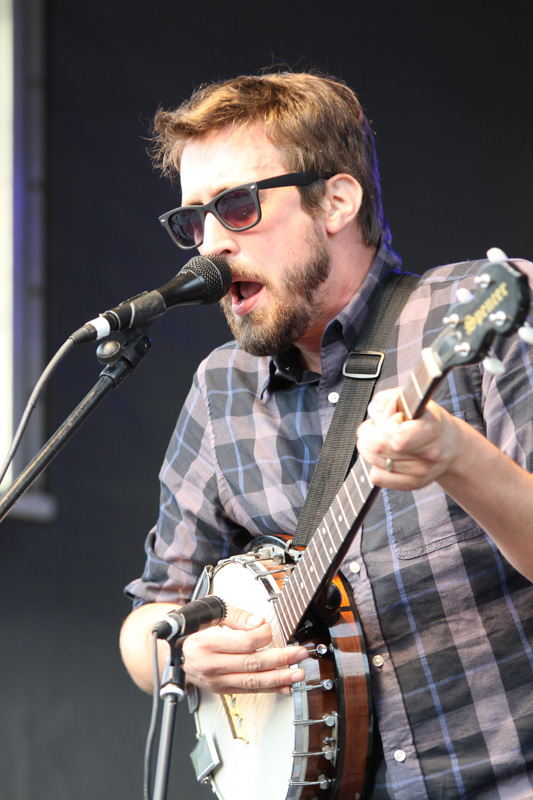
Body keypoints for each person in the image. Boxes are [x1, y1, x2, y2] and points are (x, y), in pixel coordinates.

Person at [119, 71, 533, 798]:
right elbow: (148, 615)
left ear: (337, 200)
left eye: (237, 207)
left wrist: (458, 458)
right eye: (193, 221)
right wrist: (181, 652)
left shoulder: (471, 318)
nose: (208, 245)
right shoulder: (221, 392)